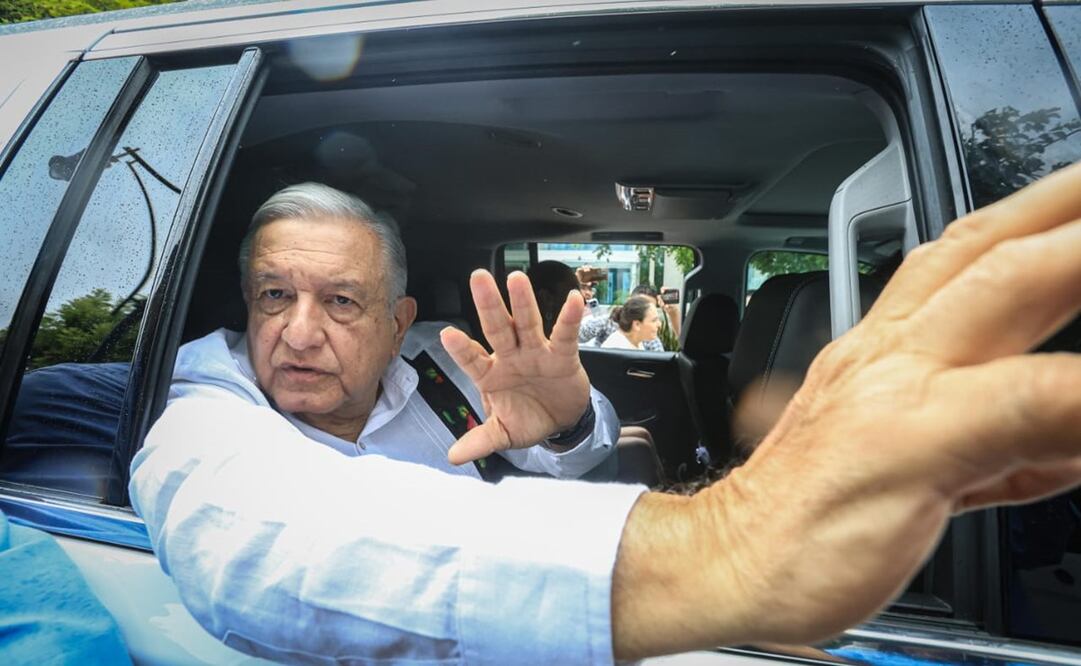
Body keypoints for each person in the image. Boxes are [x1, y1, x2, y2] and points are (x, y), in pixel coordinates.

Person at [131, 161, 1081, 664]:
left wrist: (569, 424)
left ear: (396, 321)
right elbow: (249, 537)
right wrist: (732, 545)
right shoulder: (202, 402)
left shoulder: (436, 366)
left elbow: (551, 467)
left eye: (338, 302)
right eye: (271, 297)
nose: (297, 333)